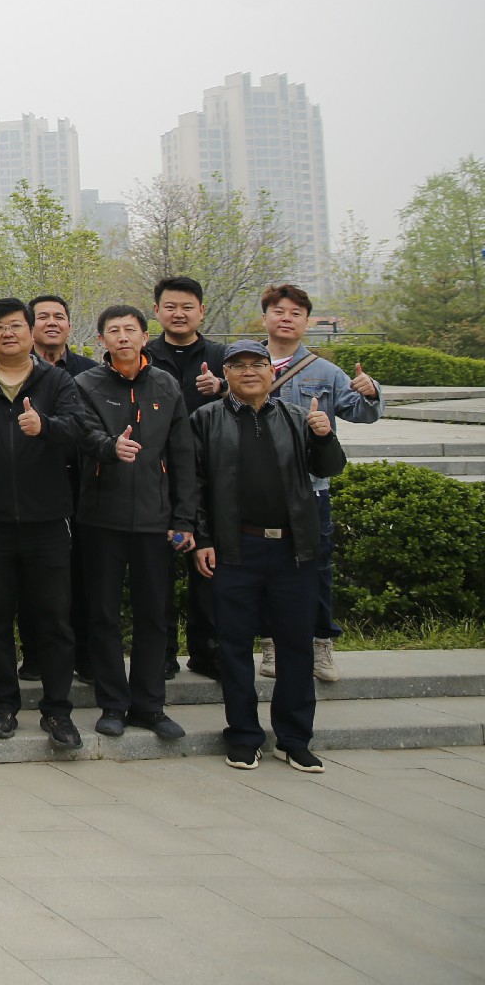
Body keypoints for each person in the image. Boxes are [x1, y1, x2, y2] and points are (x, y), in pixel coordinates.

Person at [178, 339, 347, 772]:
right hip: (235, 549)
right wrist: (203, 539)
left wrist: (324, 436)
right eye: (238, 366)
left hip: (294, 550)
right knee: (233, 646)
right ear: (226, 374)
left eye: (257, 364)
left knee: (296, 646)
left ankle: (294, 738)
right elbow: (193, 485)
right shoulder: (205, 419)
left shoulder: (296, 416)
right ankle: (243, 735)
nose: (249, 372)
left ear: (273, 372)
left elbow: (329, 468)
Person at [0, 297, 95, 750]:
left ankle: (58, 711)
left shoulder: (56, 381)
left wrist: (44, 427)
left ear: (30, 331)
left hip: (48, 519)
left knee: (54, 619)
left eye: (15, 326)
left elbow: (79, 429)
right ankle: (2, 705)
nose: (7, 334)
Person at [73, 304, 191, 741]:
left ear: (145, 336)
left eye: (130, 329)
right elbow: (82, 434)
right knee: (103, 614)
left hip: (155, 520)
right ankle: (112, 704)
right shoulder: (85, 384)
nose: (122, 337)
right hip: (100, 517)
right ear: (101, 340)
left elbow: (182, 455)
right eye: (113, 330)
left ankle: (149, 705)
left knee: (154, 615)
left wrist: (184, 518)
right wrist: (109, 446)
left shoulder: (166, 385)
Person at [256, 282, 381, 685]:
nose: (287, 318)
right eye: (279, 311)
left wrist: (371, 392)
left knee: (317, 568)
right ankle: (271, 643)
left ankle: (321, 642)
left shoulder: (325, 372)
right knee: (263, 569)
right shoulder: (244, 363)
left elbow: (362, 413)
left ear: (307, 322)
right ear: (265, 317)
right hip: (256, 490)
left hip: (310, 488)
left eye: (296, 313)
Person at [143, 275, 229, 677]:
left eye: (187, 307)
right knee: (158, 570)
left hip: (213, 474)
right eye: (170, 307)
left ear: (201, 311)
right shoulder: (144, 355)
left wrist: (223, 388)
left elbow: (255, 394)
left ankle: (207, 650)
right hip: (158, 475)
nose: (179, 314)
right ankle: (163, 653)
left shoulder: (221, 356)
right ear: (156, 311)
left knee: (208, 565)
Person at [30, 296, 95, 377]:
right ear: (30, 328)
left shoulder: (92, 371)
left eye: (59, 317)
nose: (52, 323)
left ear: (69, 328)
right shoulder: (16, 368)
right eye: (43, 317)